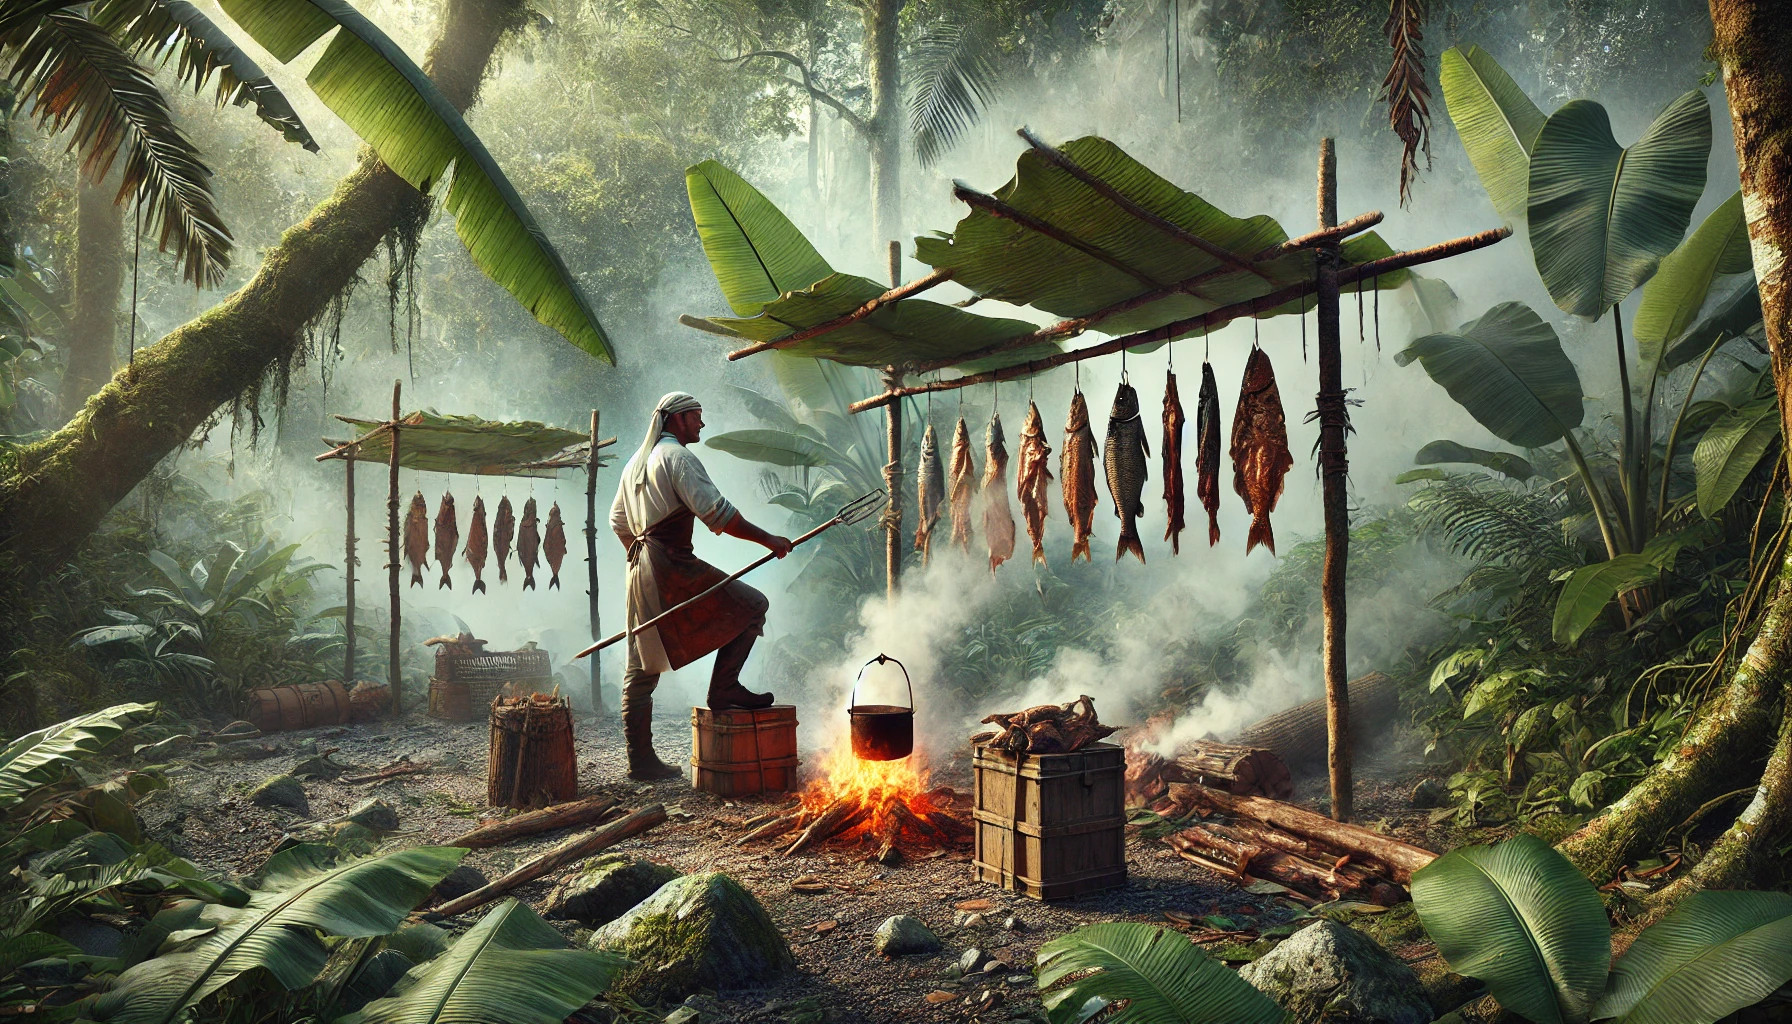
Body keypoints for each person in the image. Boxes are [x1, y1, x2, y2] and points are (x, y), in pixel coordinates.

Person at [609, 392, 792, 781]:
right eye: (696, 417)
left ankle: (640, 762)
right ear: (676, 420)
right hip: (670, 566)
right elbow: (719, 515)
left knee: (640, 668)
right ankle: (723, 689)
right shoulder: (677, 458)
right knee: (753, 604)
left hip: (642, 569)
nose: (701, 425)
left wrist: (642, 557)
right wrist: (770, 540)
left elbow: (618, 522)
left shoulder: (634, 464)